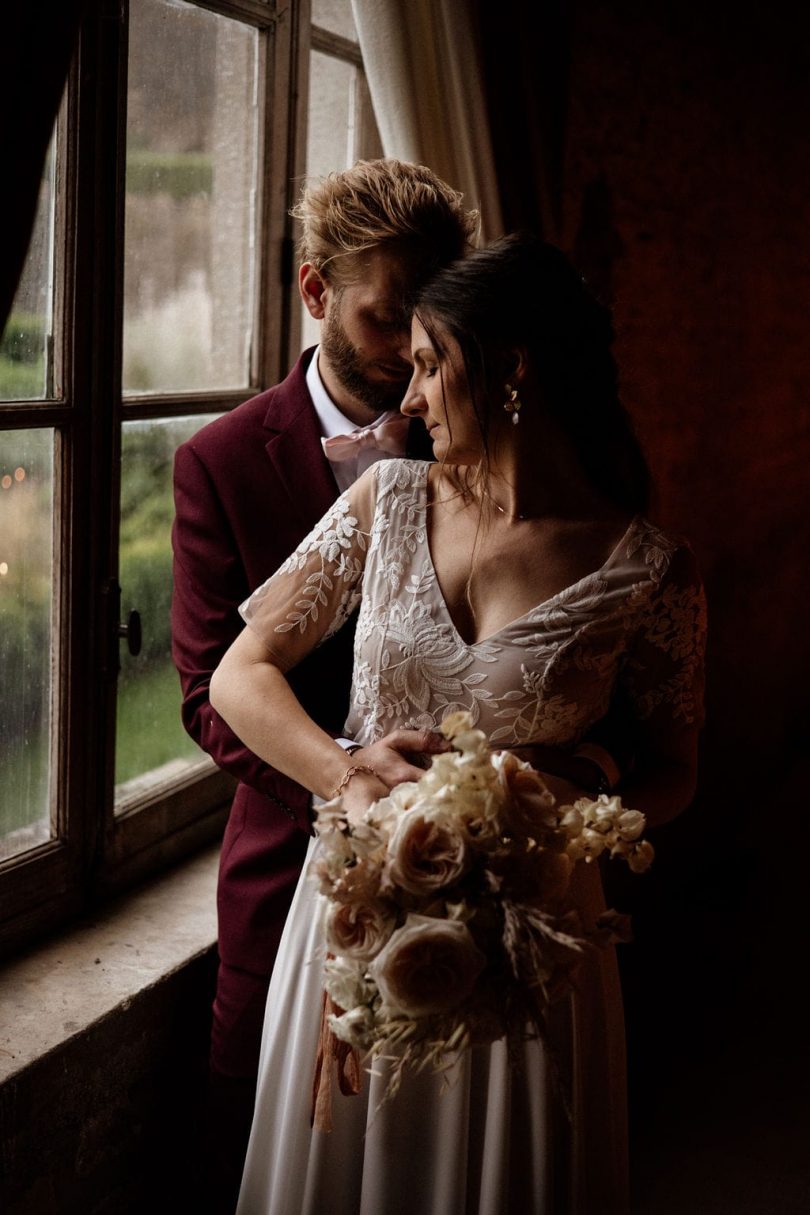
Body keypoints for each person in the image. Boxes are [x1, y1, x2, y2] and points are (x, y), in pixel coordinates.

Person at [209, 232, 707, 1214]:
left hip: (536, 933)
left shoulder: (651, 570)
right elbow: (240, 675)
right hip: (355, 911)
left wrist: (551, 837)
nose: (412, 400)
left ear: (511, 369)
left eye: (432, 365)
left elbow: (675, 770)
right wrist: (345, 776)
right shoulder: (387, 502)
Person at [171, 158, 478, 1212]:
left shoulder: (486, 448)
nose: (410, 356)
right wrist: (343, 776)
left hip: (472, 874)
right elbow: (210, 693)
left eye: (427, 327)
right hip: (284, 870)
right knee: (257, 1145)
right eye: (387, 320)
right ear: (315, 293)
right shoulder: (221, 460)